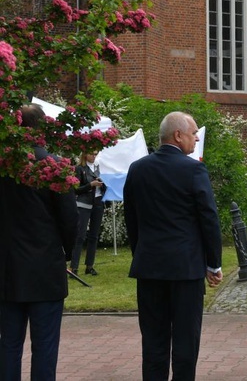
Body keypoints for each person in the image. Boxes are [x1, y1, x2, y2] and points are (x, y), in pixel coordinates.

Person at [123, 111, 223, 380]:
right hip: (185, 269)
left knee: (153, 341)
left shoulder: (138, 168)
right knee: (185, 341)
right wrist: (213, 263)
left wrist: (141, 252)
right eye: (193, 133)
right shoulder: (193, 169)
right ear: (178, 135)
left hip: (149, 267)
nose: (196, 138)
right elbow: (208, 217)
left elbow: (131, 218)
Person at [0, 103, 78, 380]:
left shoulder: (4, 166)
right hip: (45, 268)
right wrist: (67, 253)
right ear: (41, 128)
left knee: (8, 344)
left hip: (8, 269)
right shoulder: (54, 166)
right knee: (45, 345)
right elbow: (70, 219)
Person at [70, 151, 107, 276]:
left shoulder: (97, 168)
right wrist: (90, 185)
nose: (94, 156)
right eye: (91, 153)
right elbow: (75, 189)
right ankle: (73, 267)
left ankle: (89, 266)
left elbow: (104, 188)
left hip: (97, 203)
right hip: (84, 204)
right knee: (80, 236)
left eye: (96, 154)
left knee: (94, 236)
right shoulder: (79, 169)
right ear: (85, 155)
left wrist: (102, 184)